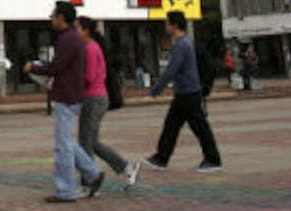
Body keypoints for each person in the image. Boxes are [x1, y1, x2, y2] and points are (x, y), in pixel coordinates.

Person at [25, 0, 104, 203]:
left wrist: (33, 68)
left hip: (67, 96)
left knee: (62, 146)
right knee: (66, 141)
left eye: (53, 15)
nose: (51, 18)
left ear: (61, 18)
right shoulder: (72, 38)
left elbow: (57, 67)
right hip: (72, 95)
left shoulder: (66, 39)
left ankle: (66, 190)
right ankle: (92, 173)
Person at [143, 11, 223, 173]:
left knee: (198, 127)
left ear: (174, 25)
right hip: (186, 92)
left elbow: (172, 69)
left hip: (188, 92)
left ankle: (212, 159)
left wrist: (156, 89)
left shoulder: (181, 44)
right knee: (173, 125)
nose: (166, 26)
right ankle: (161, 158)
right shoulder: (187, 42)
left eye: (167, 23)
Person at [76, 17, 139, 190]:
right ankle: (126, 167)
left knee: (85, 143)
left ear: (86, 30)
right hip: (98, 98)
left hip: (93, 98)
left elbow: (88, 77)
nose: (75, 32)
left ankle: (88, 182)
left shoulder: (90, 48)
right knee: (92, 142)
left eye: (77, 28)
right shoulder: (93, 47)